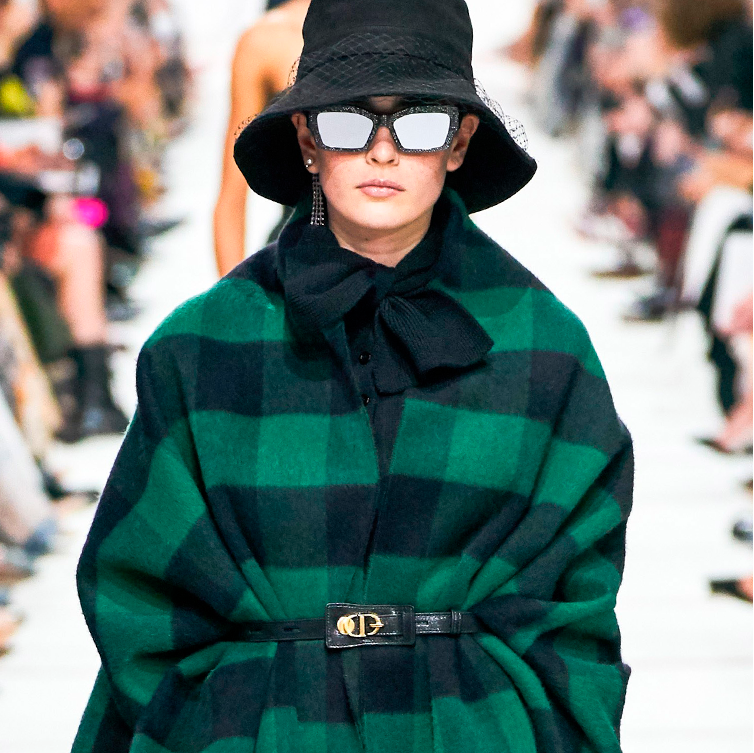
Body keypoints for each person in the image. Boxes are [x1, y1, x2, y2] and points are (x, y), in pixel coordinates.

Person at [72, 0, 634, 751]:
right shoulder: (201, 347)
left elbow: (576, 600)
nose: (383, 151)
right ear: (307, 140)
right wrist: (223, 717)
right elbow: (136, 589)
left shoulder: (545, 349)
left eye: (419, 124)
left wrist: (515, 718)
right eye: (347, 123)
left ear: (460, 141)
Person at [213, 0, 309, 277]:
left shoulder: (407, 22)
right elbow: (232, 197)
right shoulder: (265, 41)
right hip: (298, 265)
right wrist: (236, 298)